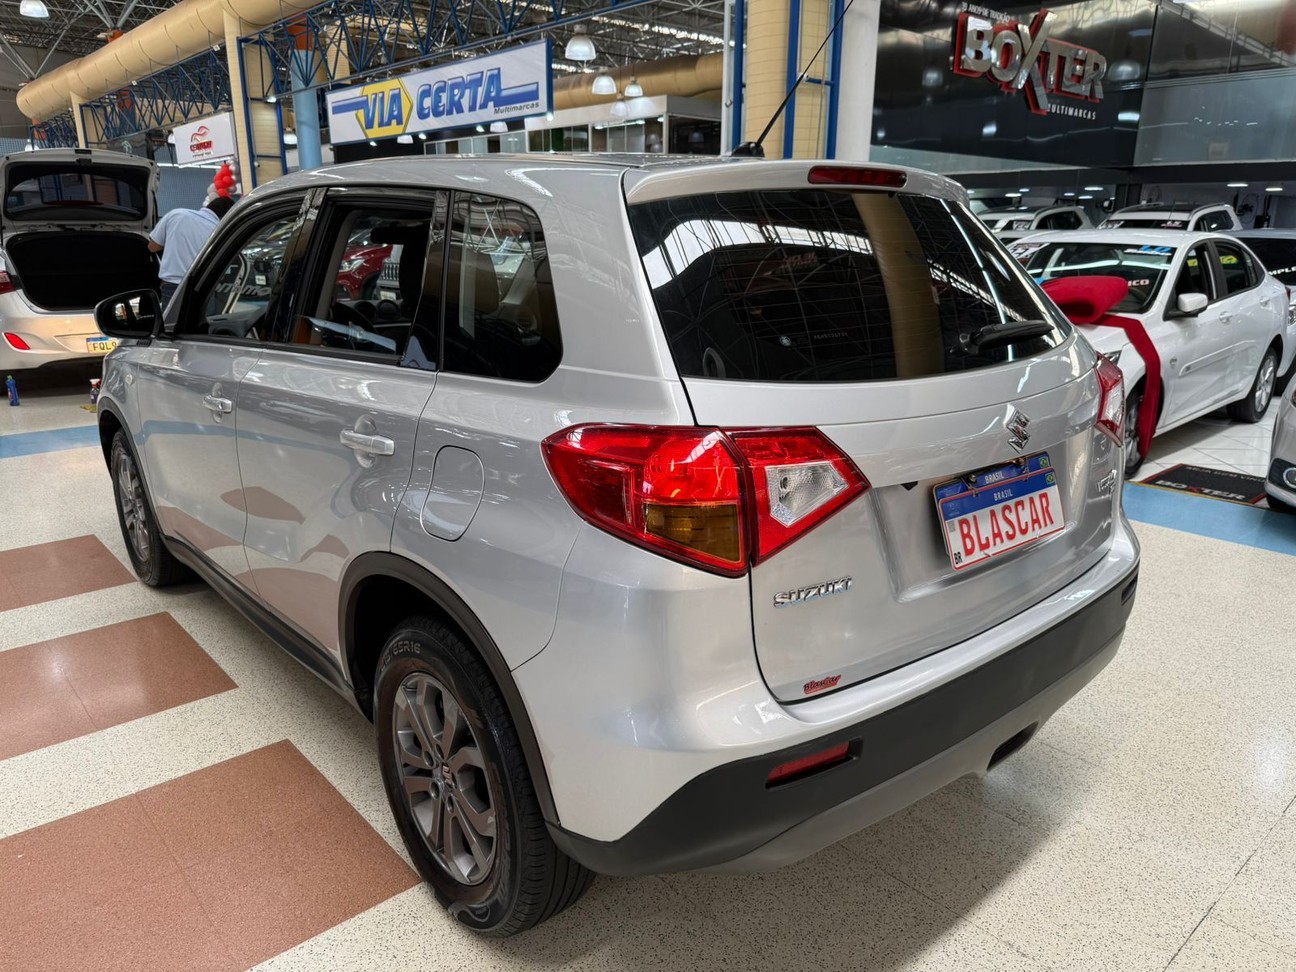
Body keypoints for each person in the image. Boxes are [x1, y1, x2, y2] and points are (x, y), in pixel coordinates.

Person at [149, 194, 236, 307]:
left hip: (172, 287)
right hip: (204, 288)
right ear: (227, 216)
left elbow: (152, 247)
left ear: (208, 206)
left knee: (173, 318)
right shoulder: (219, 231)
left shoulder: (175, 214)